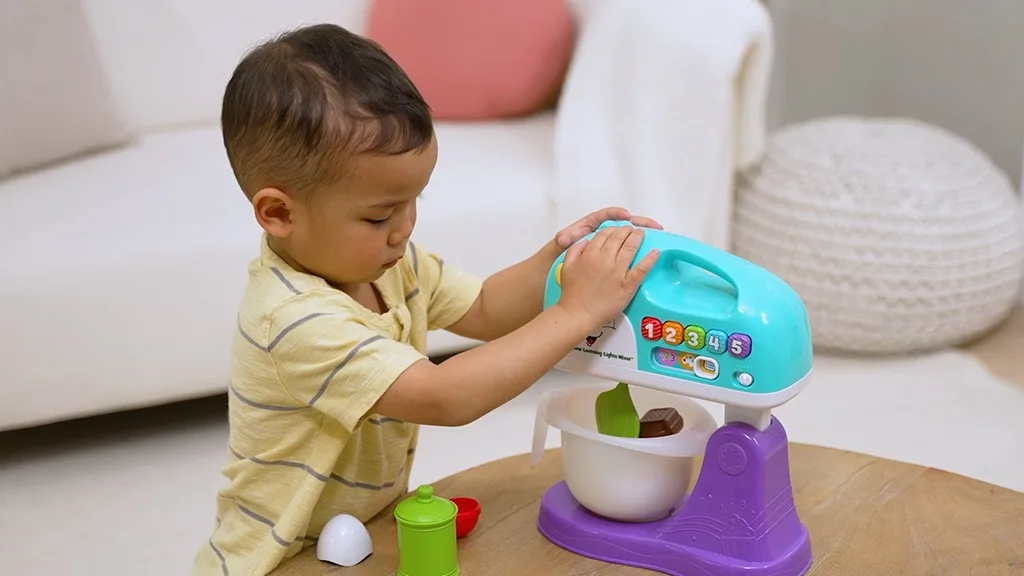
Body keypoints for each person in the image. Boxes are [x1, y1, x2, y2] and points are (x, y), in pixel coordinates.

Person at [191, 22, 661, 576]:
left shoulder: (388, 264)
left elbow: (484, 307)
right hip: (278, 560)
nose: (405, 227)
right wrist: (575, 312)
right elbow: (444, 398)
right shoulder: (294, 320)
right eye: (379, 215)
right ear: (279, 213)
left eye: (415, 200)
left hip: (359, 535)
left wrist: (559, 261)